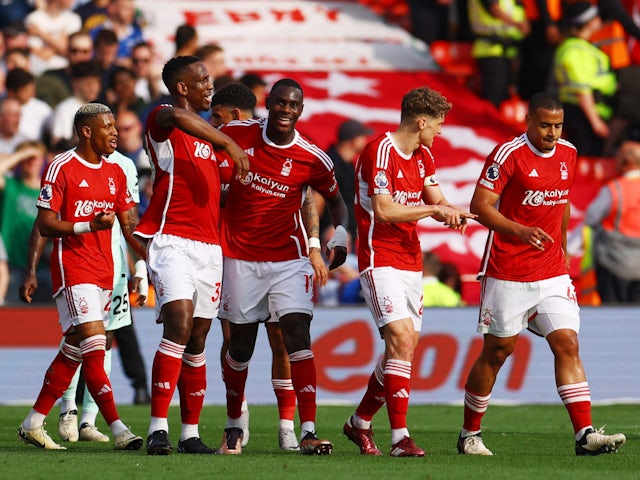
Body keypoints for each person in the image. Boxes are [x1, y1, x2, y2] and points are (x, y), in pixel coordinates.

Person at [456, 92, 626, 457]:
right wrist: (518, 230)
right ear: (529, 121)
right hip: (508, 270)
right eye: (545, 125)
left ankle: (584, 435)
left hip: (551, 272)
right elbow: (479, 207)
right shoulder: (507, 155)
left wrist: (561, 250)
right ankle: (469, 434)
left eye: (558, 125)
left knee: (567, 342)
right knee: (498, 351)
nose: (552, 132)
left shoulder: (568, 153)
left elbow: (561, 204)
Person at [216, 78, 349, 456]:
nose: (286, 110)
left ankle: (305, 430)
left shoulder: (312, 156)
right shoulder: (237, 133)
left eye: (293, 105)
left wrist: (336, 234)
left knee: (295, 336)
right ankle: (233, 425)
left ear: (300, 110)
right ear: (267, 104)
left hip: (289, 260)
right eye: (280, 103)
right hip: (240, 258)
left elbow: (337, 201)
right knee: (239, 347)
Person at [343, 87, 474, 458]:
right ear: (421, 122)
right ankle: (400, 437)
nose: (441, 131)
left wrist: (453, 213)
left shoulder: (424, 156)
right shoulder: (378, 152)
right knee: (400, 339)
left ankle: (359, 422)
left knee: (402, 351)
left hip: (409, 261)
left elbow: (435, 199)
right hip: (378, 257)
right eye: (438, 124)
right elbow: (383, 210)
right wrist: (432, 212)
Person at [134, 55, 248, 456]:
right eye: (201, 80)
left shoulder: (210, 140)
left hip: (209, 248)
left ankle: (190, 434)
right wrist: (228, 140)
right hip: (171, 241)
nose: (208, 86)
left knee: (198, 339)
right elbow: (179, 121)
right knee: (179, 325)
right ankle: (158, 428)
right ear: (181, 87)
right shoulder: (163, 119)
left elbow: (226, 189)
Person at [17, 102, 144, 451]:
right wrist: (31, 270)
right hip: (73, 270)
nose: (115, 133)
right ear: (87, 131)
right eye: (107, 127)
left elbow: (129, 226)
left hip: (106, 272)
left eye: (116, 126)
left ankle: (34, 422)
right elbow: (44, 223)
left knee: (74, 349)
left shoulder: (116, 172)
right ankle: (118, 428)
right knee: (95, 346)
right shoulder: (62, 166)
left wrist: (148, 264)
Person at [553, 2, 616, 156]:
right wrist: (595, 122)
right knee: (588, 156)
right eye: (596, 17)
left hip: (589, 111)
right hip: (582, 115)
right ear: (588, 22)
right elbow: (582, 90)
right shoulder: (575, 50)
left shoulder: (582, 47)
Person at [584, 140, 640, 303]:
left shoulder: (614, 188)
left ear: (626, 162)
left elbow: (591, 218)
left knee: (615, 318)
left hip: (614, 265)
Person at [1, 141, 52, 305]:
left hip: (45, 268)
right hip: (14, 268)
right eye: (27, 159)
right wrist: (23, 153)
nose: (31, 161)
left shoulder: (50, 191)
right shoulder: (11, 186)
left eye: (35, 158)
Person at [319, 118, 373, 250]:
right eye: (362, 137)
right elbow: (316, 200)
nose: (365, 141)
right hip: (329, 240)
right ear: (353, 140)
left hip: (346, 240)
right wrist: (313, 238)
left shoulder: (349, 166)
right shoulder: (330, 164)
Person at [467, 0, 530, 108]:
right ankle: (488, 123)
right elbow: (494, 8)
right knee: (494, 97)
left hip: (508, 50)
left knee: (505, 96)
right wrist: (518, 24)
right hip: (489, 50)